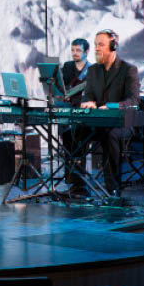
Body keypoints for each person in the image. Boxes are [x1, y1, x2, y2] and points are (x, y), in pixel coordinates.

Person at [80, 29, 139, 196]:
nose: (96, 48)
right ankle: (77, 185)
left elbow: (134, 101)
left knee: (110, 135)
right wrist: (88, 103)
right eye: (95, 44)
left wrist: (112, 107)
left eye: (101, 45)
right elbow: (87, 95)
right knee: (72, 132)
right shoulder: (93, 71)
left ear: (113, 46)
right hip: (98, 122)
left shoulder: (128, 69)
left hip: (122, 123)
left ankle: (112, 185)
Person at [59, 38, 90, 194]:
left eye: (78, 50)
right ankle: (69, 177)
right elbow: (62, 87)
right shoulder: (68, 66)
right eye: (73, 50)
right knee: (66, 139)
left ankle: (79, 177)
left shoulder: (92, 69)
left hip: (83, 108)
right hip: (68, 107)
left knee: (80, 141)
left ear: (86, 52)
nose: (75, 53)